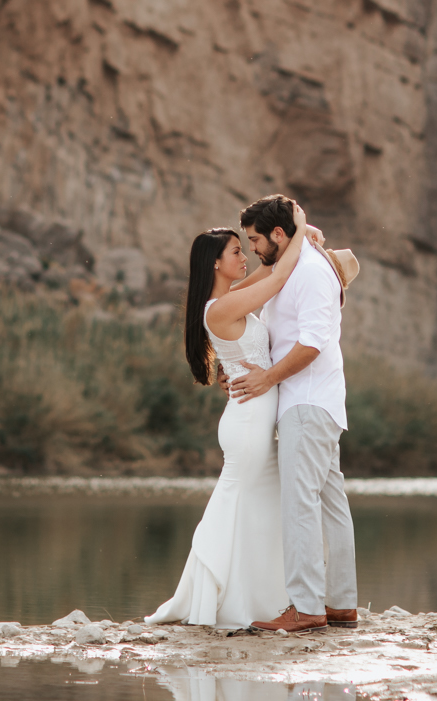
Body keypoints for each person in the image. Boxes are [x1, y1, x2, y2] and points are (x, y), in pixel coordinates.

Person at [144, 211, 317, 628]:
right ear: (215, 264)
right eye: (237, 251)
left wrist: (300, 237)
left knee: (259, 509)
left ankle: (261, 601)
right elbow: (276, 279)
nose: (245, 256)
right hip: (246, 422)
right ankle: (209, 597)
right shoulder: (218, 308)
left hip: (254, 416)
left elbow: (271, 269)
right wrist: (300, 223)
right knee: (237, 504)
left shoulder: (231, 296)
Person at [229, 193, 358, 633]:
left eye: (256, 241)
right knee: (330, 503)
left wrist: (268, 379)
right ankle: (341, 605)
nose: (253, 250)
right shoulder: (295, 265)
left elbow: (313, 343)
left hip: (306, 402)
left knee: (300, 505)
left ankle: (305, 607)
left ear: (278, 235)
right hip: (316, 401)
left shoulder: (312, 273)